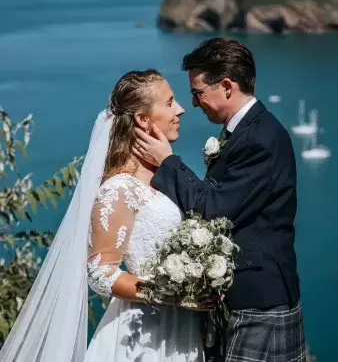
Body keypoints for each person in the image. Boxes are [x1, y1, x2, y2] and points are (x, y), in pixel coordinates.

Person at [0, 69, 207, 362]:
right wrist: (173, 295)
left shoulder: (168, 176)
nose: (181, 109)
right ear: (143, 119)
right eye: (170, 102)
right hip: (141, 336)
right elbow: (101, 272)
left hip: (184, 330)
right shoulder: (119, 188)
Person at [133, 38, 306, 362]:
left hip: (260, 301)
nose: (193, 104)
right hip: (242, 298)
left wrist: (166, 162)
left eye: (197, 92)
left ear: (227, 86)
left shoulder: (260, 140)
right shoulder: (241, 134)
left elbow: (214, 210)